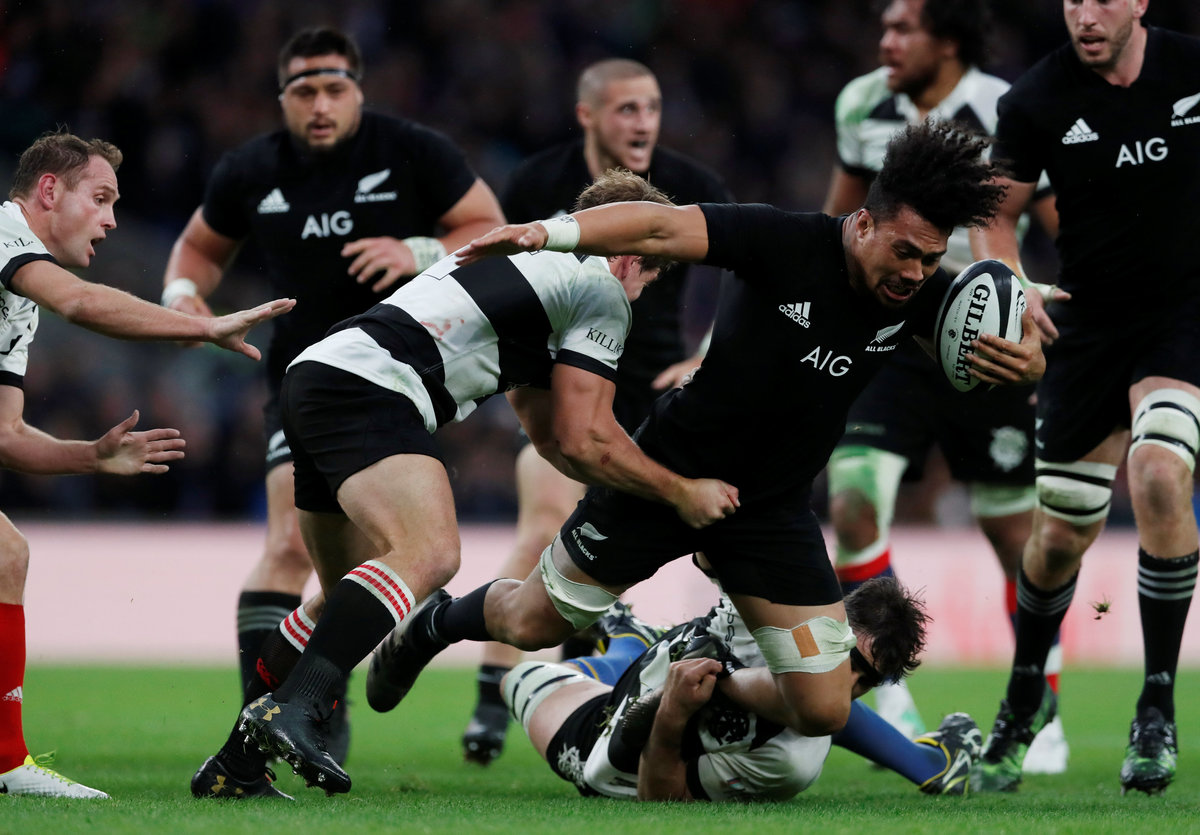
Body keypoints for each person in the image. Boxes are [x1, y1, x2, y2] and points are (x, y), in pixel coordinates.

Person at [367, 121, 1044, 765]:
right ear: (864, 222)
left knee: (821, 706)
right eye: (905, 252)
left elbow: (1021, 348)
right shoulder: (782, 240)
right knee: (531, 624)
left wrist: (1028, 361)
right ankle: (433, 626)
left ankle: (680, 691)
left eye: (931, 259)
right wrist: (552, 232)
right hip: (669, 472)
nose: (916, 273)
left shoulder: (921, 296)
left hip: (771, 510)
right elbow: (660, 225)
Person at [190, 170, 737, 800]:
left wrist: (620, 486)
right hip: (376, 389)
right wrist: (678, 491)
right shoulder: (601, 287)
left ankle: (236, 764)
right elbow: (587, 438)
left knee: (341, 600)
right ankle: (299, 706)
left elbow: (551, 435)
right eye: (651, 275)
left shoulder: (524, 262)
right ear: (633, 253)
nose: (641, 294)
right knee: (430, 555)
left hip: (318, 373)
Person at [160, 25, 505, 762]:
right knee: (289, 546)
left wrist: (416, 249)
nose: (320, 103)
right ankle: (265, 725)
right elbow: (198, 248)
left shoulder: (411, 150)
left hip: (397, 384)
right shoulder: (251, 169)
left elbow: (490, 227)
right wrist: (183, 294)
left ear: (358, 90)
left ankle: (318, 695)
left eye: (334, 87)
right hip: (301, 383)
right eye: (304, 89)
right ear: (282, 97)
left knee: (373, 559)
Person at [0, 131, 293, 798]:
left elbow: (7, 434)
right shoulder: (4, 233)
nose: (110, 219)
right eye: (100, 198)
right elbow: (80, 302)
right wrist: (204, 326)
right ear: (49, 190)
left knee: (5, 555)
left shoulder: (16, 299)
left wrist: (91, 456)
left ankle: (6, 760)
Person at [460, 57, 732, 767]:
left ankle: (723, 679)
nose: (644, 122)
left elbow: (749, 273)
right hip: (567, 397)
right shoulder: (536, 181)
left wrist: (706, 354)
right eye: (626, 109)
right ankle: (491, 698)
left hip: (658, 404)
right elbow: (499, 273)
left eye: (652, 108)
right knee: (544, 524)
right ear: (588, 115)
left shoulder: (693, 184)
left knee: (682, 547)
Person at [821, 0, 1069, 773]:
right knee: (852, 496)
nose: (886, 42)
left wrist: (1060, 319)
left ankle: (1039, 703)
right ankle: (886, 687)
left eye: (904, 29)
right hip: (890, 330)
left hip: (986, 336)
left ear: (950, 40)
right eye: (885, 27)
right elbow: (840, 216)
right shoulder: (861, 103)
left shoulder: (1008, 109)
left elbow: (1059, 222)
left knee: (1014, 531)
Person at [967, 0, 1200, 796]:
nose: (1085, 15)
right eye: (1073, 0)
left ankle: (1156, 707)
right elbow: (994, 215)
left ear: (1140, 2)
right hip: (1087, 324)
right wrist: (1010, 280)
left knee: (1161, 473)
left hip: (1182, 318)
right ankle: (1026, 693)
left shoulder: (1191, 69)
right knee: (1061, 534)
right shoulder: (1035, 98)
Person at [507, 578, 988, 801]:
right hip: (662, 668)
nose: (850, 685)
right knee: (809, 699)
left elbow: (661, 799)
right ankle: (631, 643)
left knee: (522, 678)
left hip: (609, 760)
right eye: (853, 662)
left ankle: (629, 640)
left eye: (869, 681)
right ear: (830, 627)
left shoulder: (790, 764)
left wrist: (672, 715)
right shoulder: (779, 617)